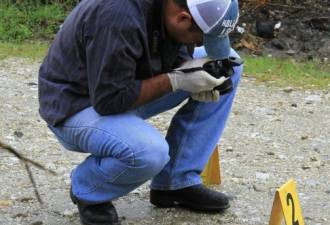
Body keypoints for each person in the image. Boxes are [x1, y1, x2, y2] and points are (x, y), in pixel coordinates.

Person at [38, 0, 242, 224]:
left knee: (225, 68)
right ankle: (88, 190)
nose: (201, 44)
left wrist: (194, 74)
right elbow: (110, 101)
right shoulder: (117, 16)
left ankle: (176, 182)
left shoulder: (169, 10)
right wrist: (178, 80)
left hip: (122, 87)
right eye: (202, 38)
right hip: (77, 105)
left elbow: (176, 50)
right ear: (182, 18)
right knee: (150, 152)